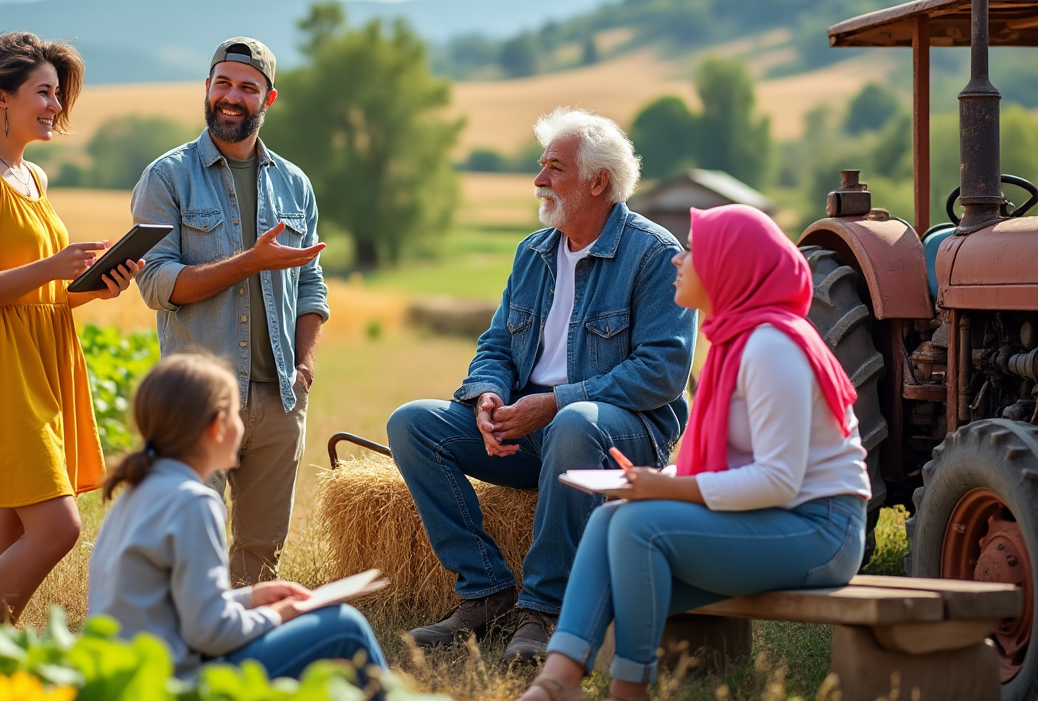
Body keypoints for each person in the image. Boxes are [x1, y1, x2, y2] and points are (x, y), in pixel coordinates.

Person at [518, 204, 871, 701]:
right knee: (608, 521)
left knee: (638, 528)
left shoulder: (772, 346)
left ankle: (628, 690)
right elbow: (732, 463)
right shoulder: (734, 342)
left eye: (694, 251)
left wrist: (667, 487)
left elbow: (779, 480)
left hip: (820, 529)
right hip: (772, 520)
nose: (677, 260)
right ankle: (558, 681)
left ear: (731, 267)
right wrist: (651, 485)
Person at [387, 107, 696, 664]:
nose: (539, 179)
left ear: (598, 182)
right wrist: (486, 395)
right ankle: (485, 591)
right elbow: (498, 345)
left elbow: (663, 372)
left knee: (574, 422)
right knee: (411, 422)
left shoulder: (654, 255)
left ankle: (545, 609)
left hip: (621, 436)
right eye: (541, 165)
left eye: (554, 167)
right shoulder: (533, 253)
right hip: (534, 426)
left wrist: (556, 402)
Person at [0, 31, 142, 625]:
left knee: (16, 525)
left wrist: (91, 285)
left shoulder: (33, 178)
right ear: (1, 97)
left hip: (43, 352)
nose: (55, 107)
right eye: (44, 93)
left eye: (58, 95)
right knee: (58, 526)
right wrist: (51, 266)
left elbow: (40, 294)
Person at [131, 36, 328, 586]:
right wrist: (249, 262)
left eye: (247, 87)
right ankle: (183, 659)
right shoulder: (166, 177)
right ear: (208, 88)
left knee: (261, 554)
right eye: (223, 83)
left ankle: (246, 663)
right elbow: (155, 283)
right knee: (190, 548)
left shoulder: (295, 183)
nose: (232, 97)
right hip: (196, 400)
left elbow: (311, 281)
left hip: (279, 396)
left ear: (269, 99)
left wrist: (305, 365)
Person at [87, 353, 387, 695]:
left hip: (132, 681)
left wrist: (250, 598)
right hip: (179, 685)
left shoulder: (138, 491)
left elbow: (177, 606)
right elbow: (210, 633)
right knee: (345, 627)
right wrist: (280, 614)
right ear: (217, 427)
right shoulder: (195, 503)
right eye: (236, 414)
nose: (242, 424)